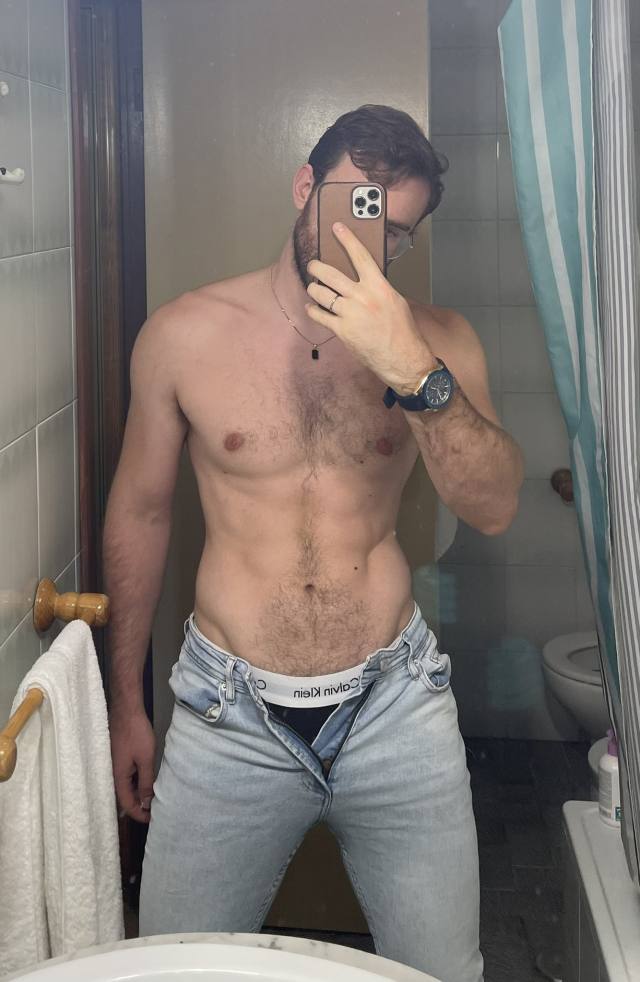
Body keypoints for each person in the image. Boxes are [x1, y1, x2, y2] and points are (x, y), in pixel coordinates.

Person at [104, 104, 523, 982]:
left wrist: (412, 369)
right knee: (173, 969)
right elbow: (141, 514)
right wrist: (127, 705)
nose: (374, 242)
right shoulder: (184, 335)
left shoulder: (439, 342)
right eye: (358, 205)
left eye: (396, 230)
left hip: (396, 706)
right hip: (227, 715)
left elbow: (492, 508)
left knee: (444, 972)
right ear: (305, 188)